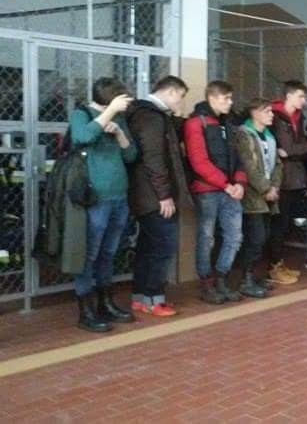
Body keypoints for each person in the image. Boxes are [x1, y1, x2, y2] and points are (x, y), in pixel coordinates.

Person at [69, 77, 137, 332]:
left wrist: (119, 132)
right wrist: (108, 113)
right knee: (90, 253)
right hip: (94, 198)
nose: (125, 103)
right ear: (111, 98)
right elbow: (82, 137)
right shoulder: (82, 114)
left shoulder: (119, 118)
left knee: (109, 252)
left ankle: (105, 302)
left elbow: (131, 155)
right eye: (121, 98)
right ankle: (85, 310)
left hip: (119, 196)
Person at [126, 75, 190, 317]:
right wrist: (164, 194)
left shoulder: (146, 114)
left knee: (147, 246)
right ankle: (154, 299)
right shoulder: (152, 117)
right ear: (171, 92)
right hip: (154, 196)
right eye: (180, 97)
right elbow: (154, 158)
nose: (181, 102)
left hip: (144, 194)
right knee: (162, 246)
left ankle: (140, 297)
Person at [183, 80, 247, 304]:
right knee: (207, 237)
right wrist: (226, 184)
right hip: (208, 190)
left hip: (231, 189)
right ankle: (207, 283)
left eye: (230, 98)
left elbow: (238, 157)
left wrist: (240, 182)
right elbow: (198, 161)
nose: (230, 102)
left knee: (234, 236)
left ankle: (221, 277)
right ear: (212, 98)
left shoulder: (228, 124)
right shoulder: (196, 123)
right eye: (225, 98)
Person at [234, 98, 285, 297]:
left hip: (268, 196)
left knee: (263, 238)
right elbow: (248, 166)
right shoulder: (244, 134)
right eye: (267, 111)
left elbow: (277, 164)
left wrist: (275, 187)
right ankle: (245, 279)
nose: (271, 115)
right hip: (252, 195)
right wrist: (265, 188)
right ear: (254, 113)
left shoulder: (269, 136)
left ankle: (253, 275)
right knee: (255, 238)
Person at [268, 80, 307, 284]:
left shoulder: (299, 118)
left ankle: (279, 262)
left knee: (285, 224)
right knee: (277, 224)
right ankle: (273, 266)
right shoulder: (276, 116)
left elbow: (295, 149)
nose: (304, 100)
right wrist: (302, 147)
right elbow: (288, 147)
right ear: (289, 96)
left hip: (295, 178)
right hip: (280, 179)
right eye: (301, 96)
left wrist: (302, 148)